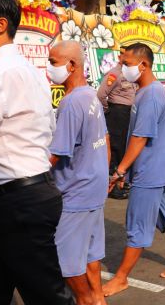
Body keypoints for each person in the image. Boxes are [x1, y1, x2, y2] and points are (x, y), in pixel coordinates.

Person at [0, 0, 74, 304]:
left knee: (46, 296)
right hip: (25, 194)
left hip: (17, 201)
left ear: (0, 24)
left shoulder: (0, 72)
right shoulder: (29, 71)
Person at [102, 43, 165, 297]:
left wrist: (120, 170)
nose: (123, 67)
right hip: (153, 168)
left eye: (127, 63)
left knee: (137, 224)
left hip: (150, 171)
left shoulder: (152, 94)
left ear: (143, 65)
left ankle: (121, 277)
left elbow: (139, 138)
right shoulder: (144, 91)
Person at [47, 41, 110, 305]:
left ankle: (86, 300)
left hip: (76, 193)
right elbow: (104, 140)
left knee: (66, 262)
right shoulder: (90, 95)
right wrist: (104, 176)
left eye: (53, 62)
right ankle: (97, 299)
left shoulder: (72, 102)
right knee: (90, 256)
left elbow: (56, 153)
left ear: (71, 65)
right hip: (93, 187)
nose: (50, 68)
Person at [97, 45, 136, 200]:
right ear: (120, 57)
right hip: (116, 114)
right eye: (123, 56)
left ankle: (120, 181)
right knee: (115, 149)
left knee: (123, 149)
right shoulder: (114, 74)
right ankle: (112, 187)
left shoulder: (131, 74)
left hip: (127, 114)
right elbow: (100, 95)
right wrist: (109, 111)